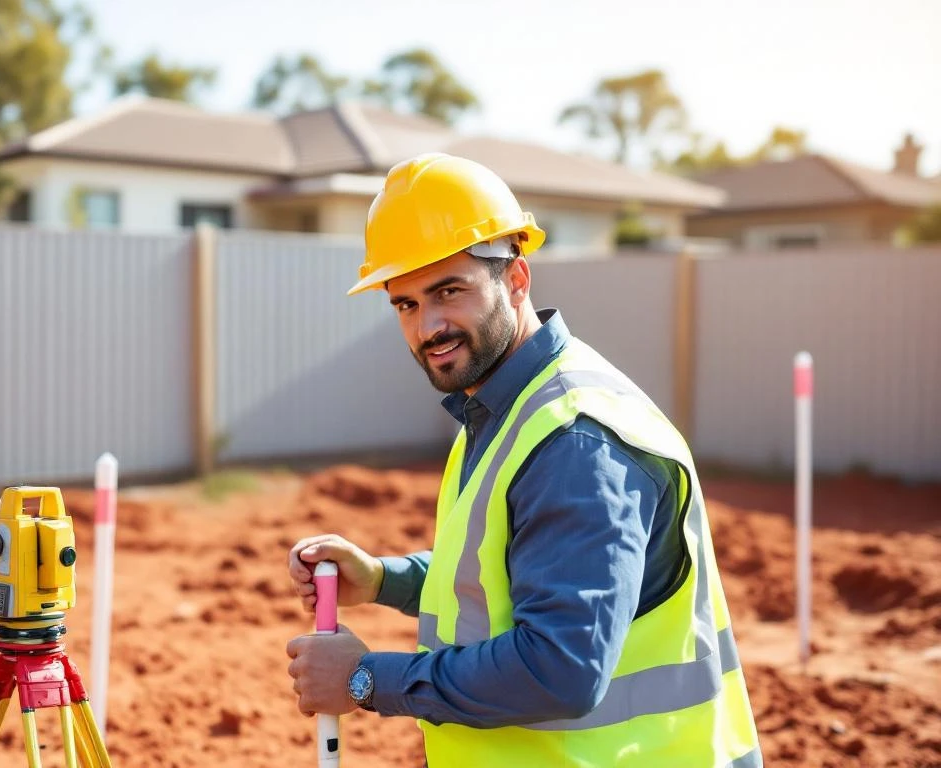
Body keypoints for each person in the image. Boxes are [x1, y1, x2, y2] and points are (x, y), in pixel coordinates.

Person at [284, 152, 761, 767]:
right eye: (404, 303)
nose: (428, 326)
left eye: (448, 291)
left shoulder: (575, 441)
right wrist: (383, 578)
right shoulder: (505, 409)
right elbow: (507, 573)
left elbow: (560, 669)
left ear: (515, 278)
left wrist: (366, 678)